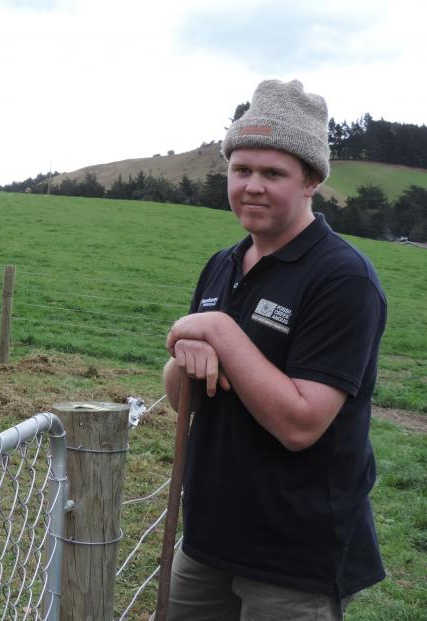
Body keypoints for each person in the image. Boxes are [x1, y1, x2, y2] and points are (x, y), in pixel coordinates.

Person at [161, 79, 386, 620]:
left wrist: (220, 333)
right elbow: (183, 399)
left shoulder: (342, 279)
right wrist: (183, 356)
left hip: (294, 556)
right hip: (208, 538)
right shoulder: (222, 264)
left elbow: (301, 424)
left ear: (310, 181)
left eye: (273, 173)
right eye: (241, 170)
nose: (252, 186)